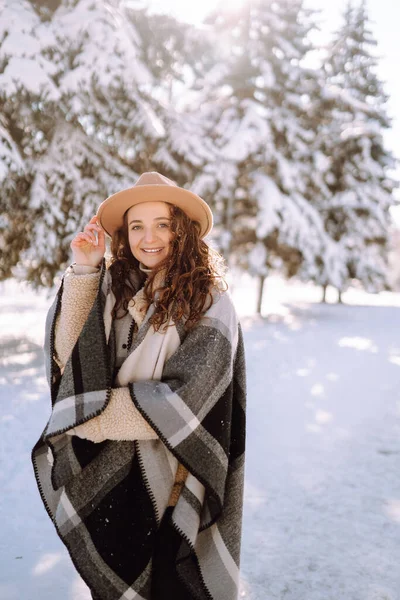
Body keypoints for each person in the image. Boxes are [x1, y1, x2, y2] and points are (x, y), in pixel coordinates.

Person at [31, 172, 246, 600]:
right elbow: (69, 355)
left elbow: (184, 401)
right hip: (109, 477)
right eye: (136, 226)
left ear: (182, 230)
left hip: (177, 485)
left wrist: (93, 420)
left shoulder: (210, 302)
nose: (150, 238)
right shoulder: (113, 288)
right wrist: (86, 269)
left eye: (163, 224)